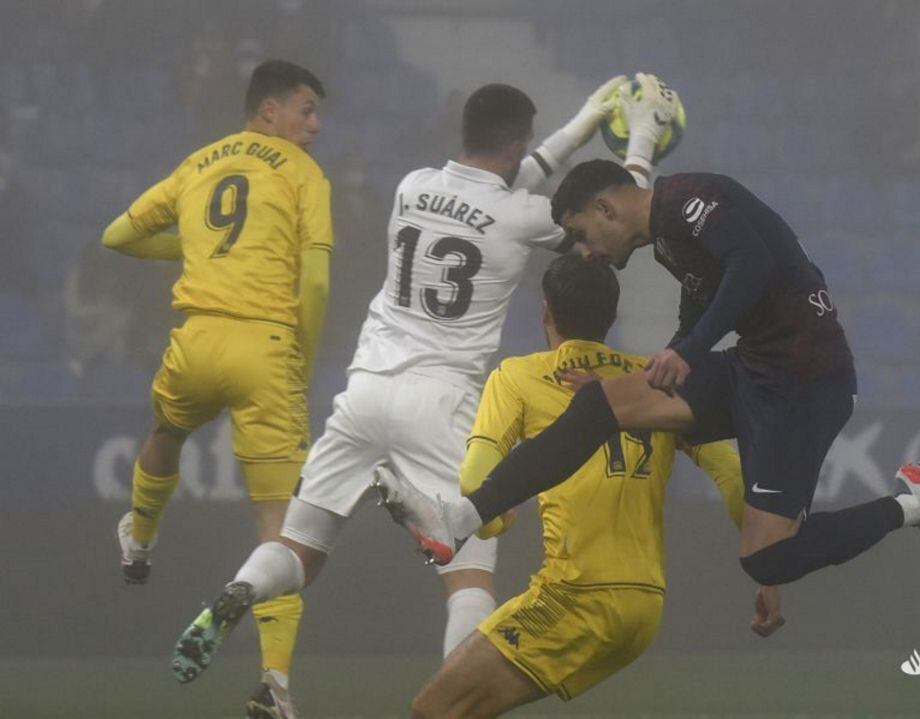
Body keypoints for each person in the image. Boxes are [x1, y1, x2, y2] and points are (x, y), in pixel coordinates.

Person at [170, 75, 681, 684]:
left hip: (365, 389)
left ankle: (240, 588)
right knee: (469, 577)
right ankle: (456, 695)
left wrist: (580, 125)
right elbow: (614, 228)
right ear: (518, 141)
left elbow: (502, 184)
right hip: (440, 402)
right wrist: (638, 146)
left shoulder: (412, 186)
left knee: (299, 546)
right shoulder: (522, 216)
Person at [378, 158, 920, 599]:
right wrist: (675, 351)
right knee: (599, 409)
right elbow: (706, 297)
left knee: (769, 559)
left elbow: (752, 263)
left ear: (606, 208)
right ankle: (457, 521)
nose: (586, 252)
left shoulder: (694, 201)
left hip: (804, 388)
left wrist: (690, 350)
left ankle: (915, 506)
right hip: (754, 368)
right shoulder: (667, 239)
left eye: (584, 235)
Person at [383, 253, 761, 719]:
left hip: (578, 594)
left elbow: (473, 479)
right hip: (645, 603)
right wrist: (767, 567)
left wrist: (495, 519)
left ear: (546, 311)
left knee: (433, 710)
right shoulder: (653, 379)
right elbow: (736, 479)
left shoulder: (519, 376)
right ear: (611, 316)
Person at [105, 59, 331, 719]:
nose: (314, 126)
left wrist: (198, 250)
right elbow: (314, 283)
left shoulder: (199, 162)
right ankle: (273, 685)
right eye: (306, 110)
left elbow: (117, 236)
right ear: (270, 111)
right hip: (264, 347)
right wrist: (302, 361)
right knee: (281, 531)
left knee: (165, 432)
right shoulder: (302, 173)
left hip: (196, 339)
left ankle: (140, 539)